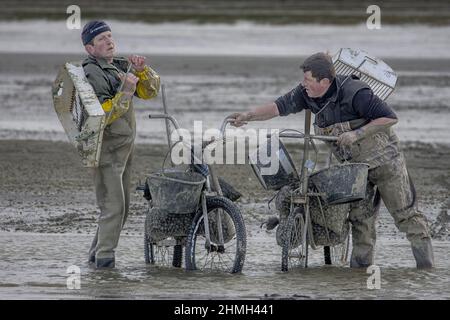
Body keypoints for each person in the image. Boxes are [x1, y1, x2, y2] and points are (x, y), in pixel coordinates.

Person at [230, 52, 434, 269]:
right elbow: (277, 107)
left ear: (324, 81)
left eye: (308, 79)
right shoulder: (305, 94)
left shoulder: (356, 93)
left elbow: (390, 117)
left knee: (406, 216)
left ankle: (426, 269)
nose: (303, 84)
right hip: (354, 169)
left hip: (385, 162)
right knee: (360, 221)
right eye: (304, 79)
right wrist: (247, 116)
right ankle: (359, 274)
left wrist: (357, 133)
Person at [81, 21, 160, 268]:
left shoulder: (118, 66)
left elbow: (150, 93)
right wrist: (126, 89)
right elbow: (102, 114)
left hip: (124, 148)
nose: (109, 41)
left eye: (110, 36)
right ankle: (105, 265)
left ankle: (96, 257)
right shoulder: (92, 72)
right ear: (90, 48)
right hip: (105, 149)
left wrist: (141, 70)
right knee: (113, 208)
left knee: (119, 210)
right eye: (101, 39)